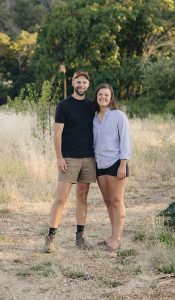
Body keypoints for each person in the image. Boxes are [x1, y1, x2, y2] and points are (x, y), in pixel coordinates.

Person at [44, 71, 96, 253]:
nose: (81, 85)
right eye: (78, 81)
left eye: (84, 82)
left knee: (82, 197)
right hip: (69, 158)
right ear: (73, 83)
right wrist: (59, 158)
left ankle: (80, 238)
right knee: (61, 198)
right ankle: (50, 238)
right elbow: (57, 134)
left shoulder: (92, 106)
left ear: (88, 85)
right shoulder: (64, 105)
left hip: (89, 158)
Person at [93, 83, 131, 251]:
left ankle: (117, 238)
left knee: (116, 200)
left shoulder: (118, 116)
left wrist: (123, 164)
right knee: (108, 201)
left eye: (106, 95)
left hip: (116, 163)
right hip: (100, 164)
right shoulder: (93, 117)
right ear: (96, 96)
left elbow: (125, 141)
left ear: (111, 97)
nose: (103, 97)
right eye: (100, 94)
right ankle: (112, 234)